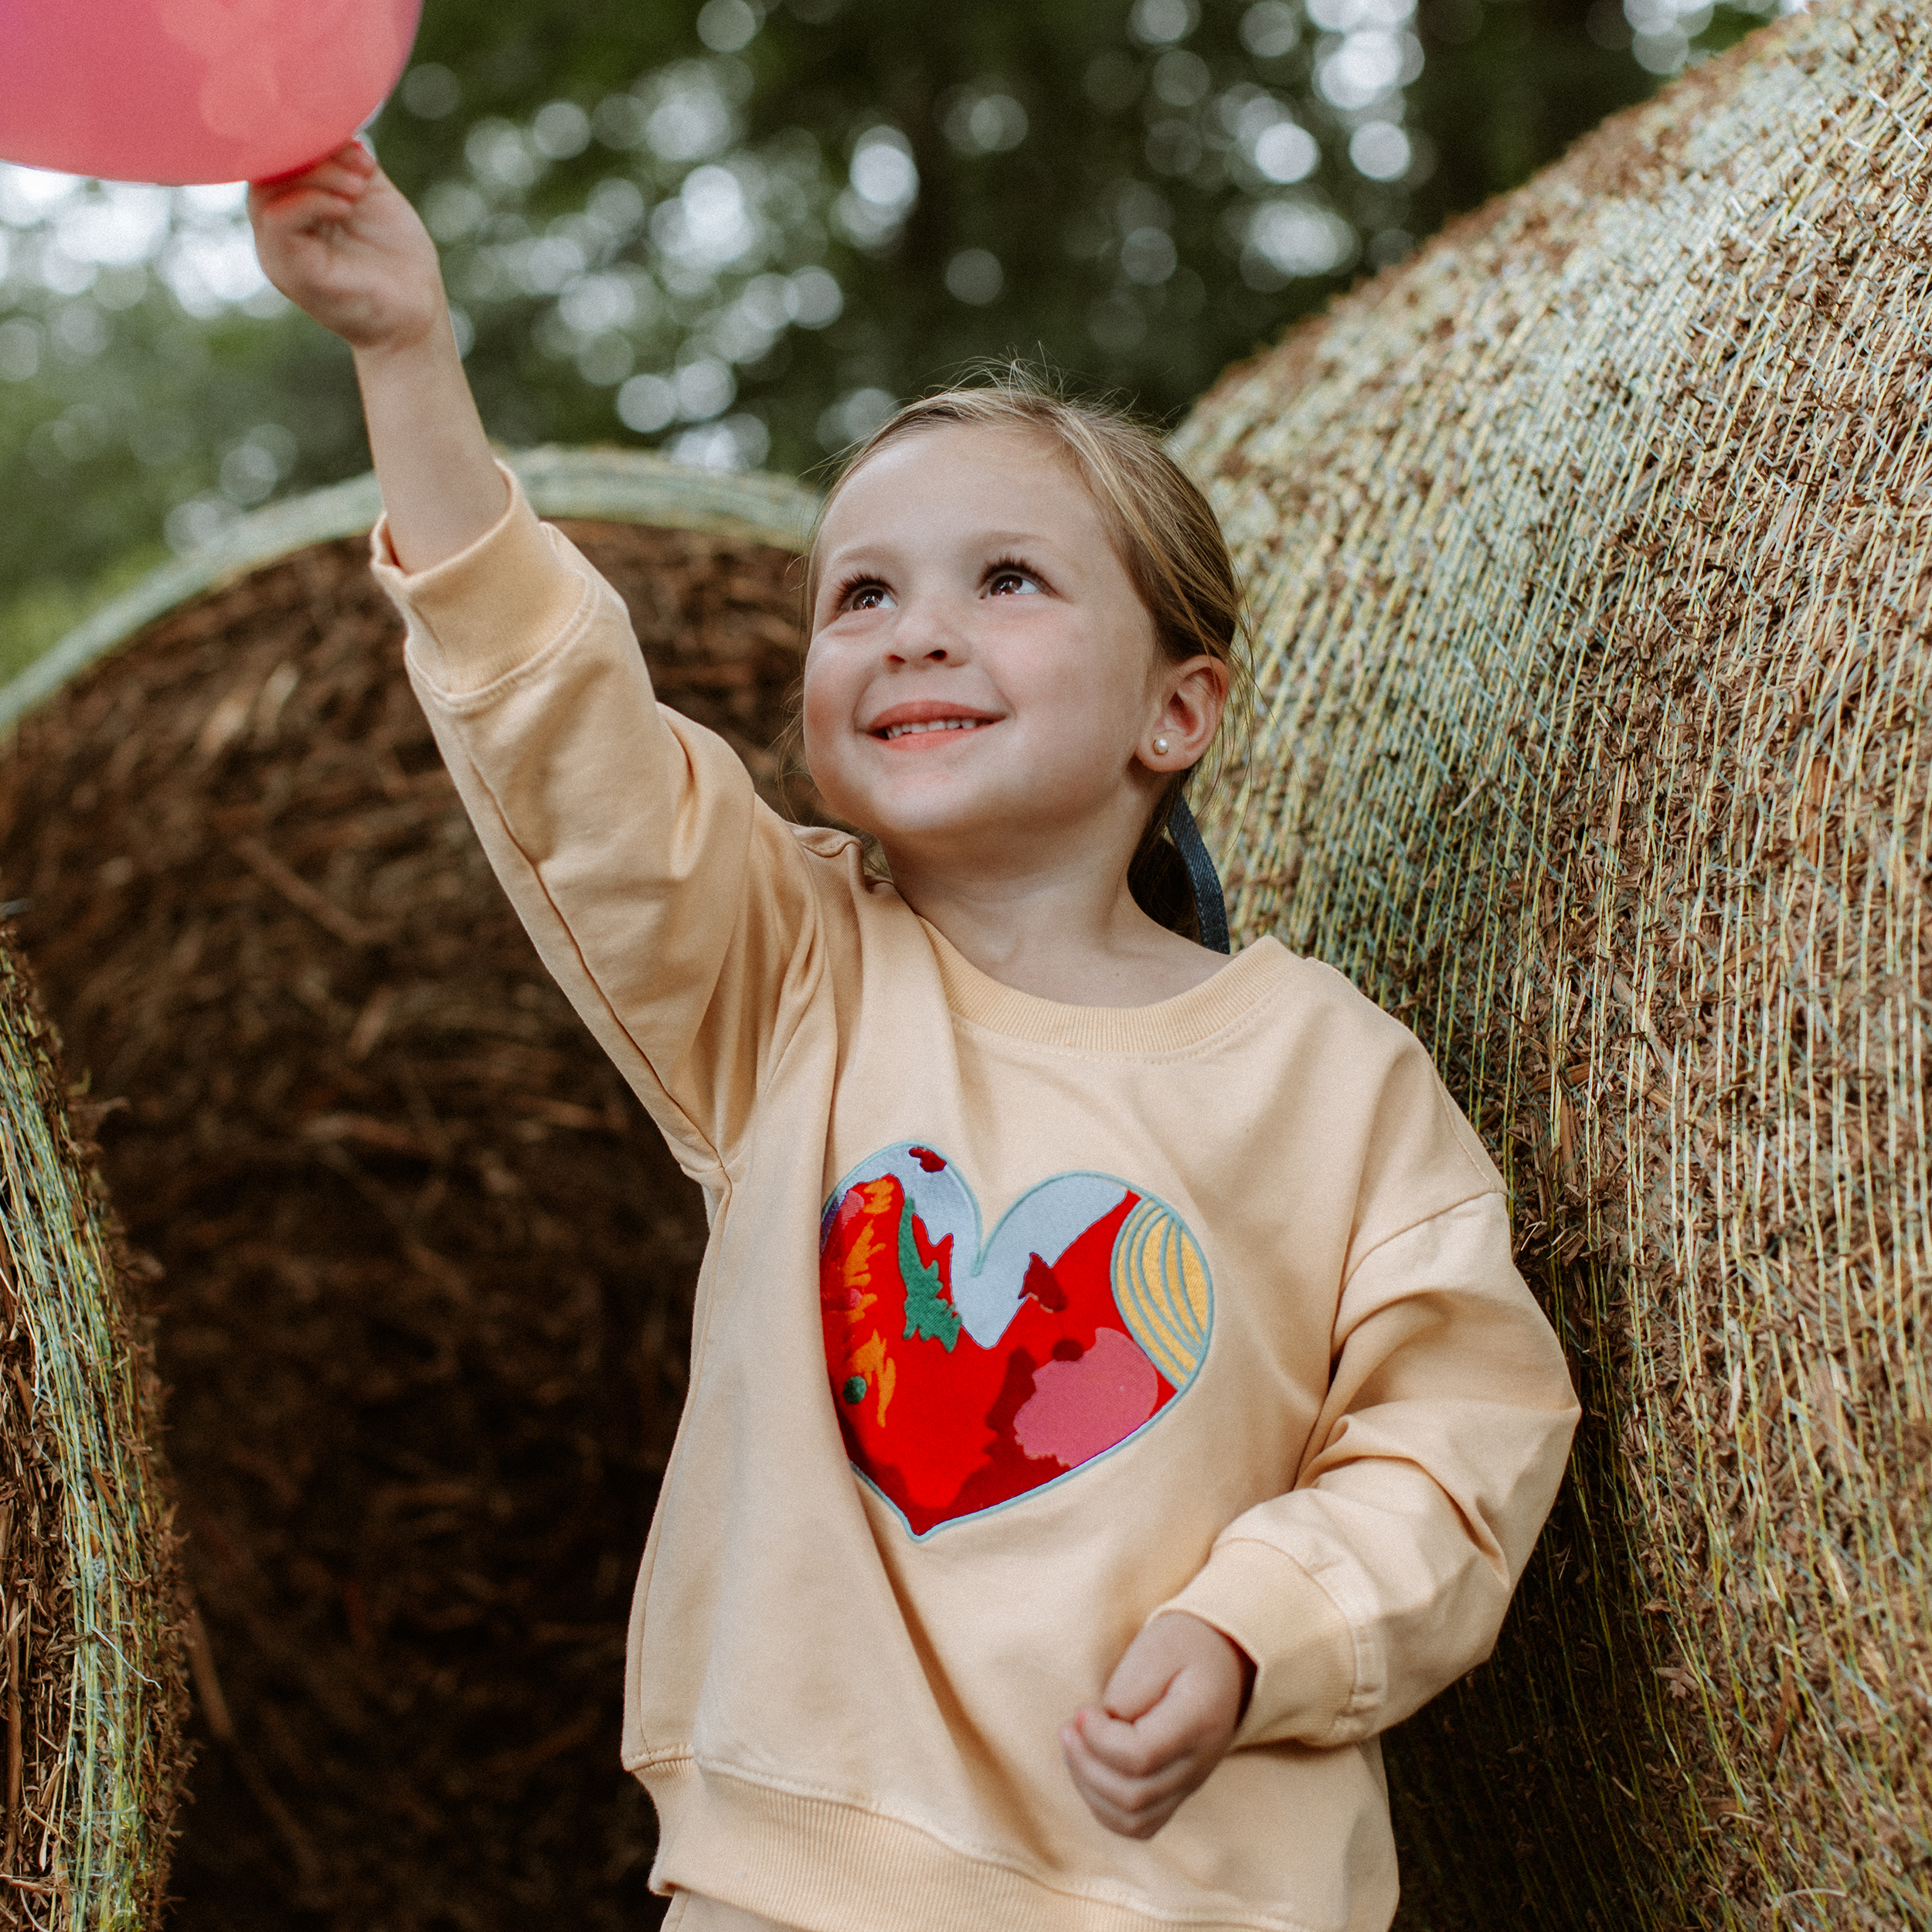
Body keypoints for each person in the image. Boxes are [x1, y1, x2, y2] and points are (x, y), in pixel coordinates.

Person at [249, 138, 1579, 1932]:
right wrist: (408, 351)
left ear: (1176, 707)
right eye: (857, 594)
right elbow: (568, 747)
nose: (911, 631)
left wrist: (1253, 1625)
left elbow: (1460, 1429)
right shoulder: (787, 979)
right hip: (791, 1881)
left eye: (1005, 581)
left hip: (1191, 1898)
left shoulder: (1332, 1076)